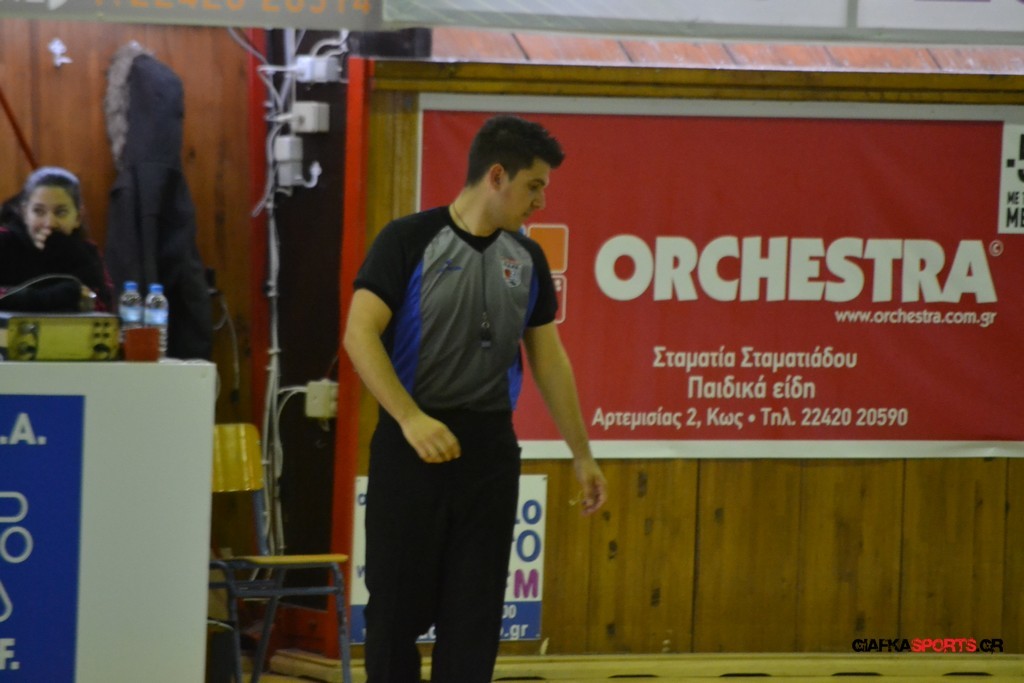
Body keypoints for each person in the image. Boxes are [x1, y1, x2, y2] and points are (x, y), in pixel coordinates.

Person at [343, 115, 608, 683]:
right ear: (496, 176)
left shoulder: (528, 259)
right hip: (412, 444)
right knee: (393, 614)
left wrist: (582, 453)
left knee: (474, 617)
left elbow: (549, 359)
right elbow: (359, 334)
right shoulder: (407, 240)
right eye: (534, 185)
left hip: (488, 454)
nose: (540, 201)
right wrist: (410, 419)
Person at [0, 166, 113, 312]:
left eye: (61, 212)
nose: (50, 223)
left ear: (78, 217)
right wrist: (61, 295)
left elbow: (102, 307)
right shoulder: (4, 241)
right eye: (38, 211)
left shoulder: (86, 252)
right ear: (24, 213)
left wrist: (71, 254)